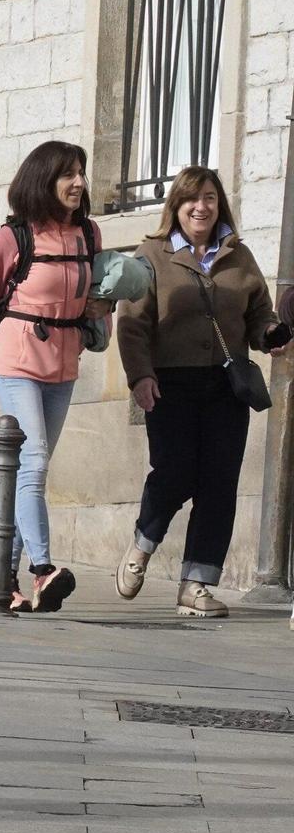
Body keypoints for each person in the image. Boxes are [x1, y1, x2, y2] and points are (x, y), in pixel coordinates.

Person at [0, 140, 107, 614]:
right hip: (17, 362)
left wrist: (101, 311)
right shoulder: (11, 239)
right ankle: (43, 569)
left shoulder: (89, 235)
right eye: (67, 174)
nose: (78, 182)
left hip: (64, 364)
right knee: (33, 465)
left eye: (81, 173)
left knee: (25, 475)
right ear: (42, 180)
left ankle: (3, 581)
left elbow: (100, 296)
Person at [115, 167, 292, 616]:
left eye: (210, 197)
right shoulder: (151, 255)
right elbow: (133, 323)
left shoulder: (239, 256)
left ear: (220, 205)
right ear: (176, 205)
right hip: (170, 382)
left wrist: (271, 332)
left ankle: (196, 585)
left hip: (225, 386)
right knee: (173, 473)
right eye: (192, 198)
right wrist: (140, 376)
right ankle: (144, 541)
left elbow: (258, 313)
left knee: (218, 484)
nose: (201, 206)